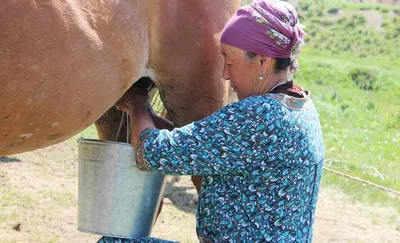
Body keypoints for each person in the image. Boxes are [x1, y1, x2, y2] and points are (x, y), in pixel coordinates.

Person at [99, 0, 324, 242]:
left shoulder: (253, 115)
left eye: (229, 63)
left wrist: (138, 102)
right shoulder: (302, 108)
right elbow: (202, 144)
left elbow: (151, 153)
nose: (225, 74)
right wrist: (149, 116)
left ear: (262, 61)